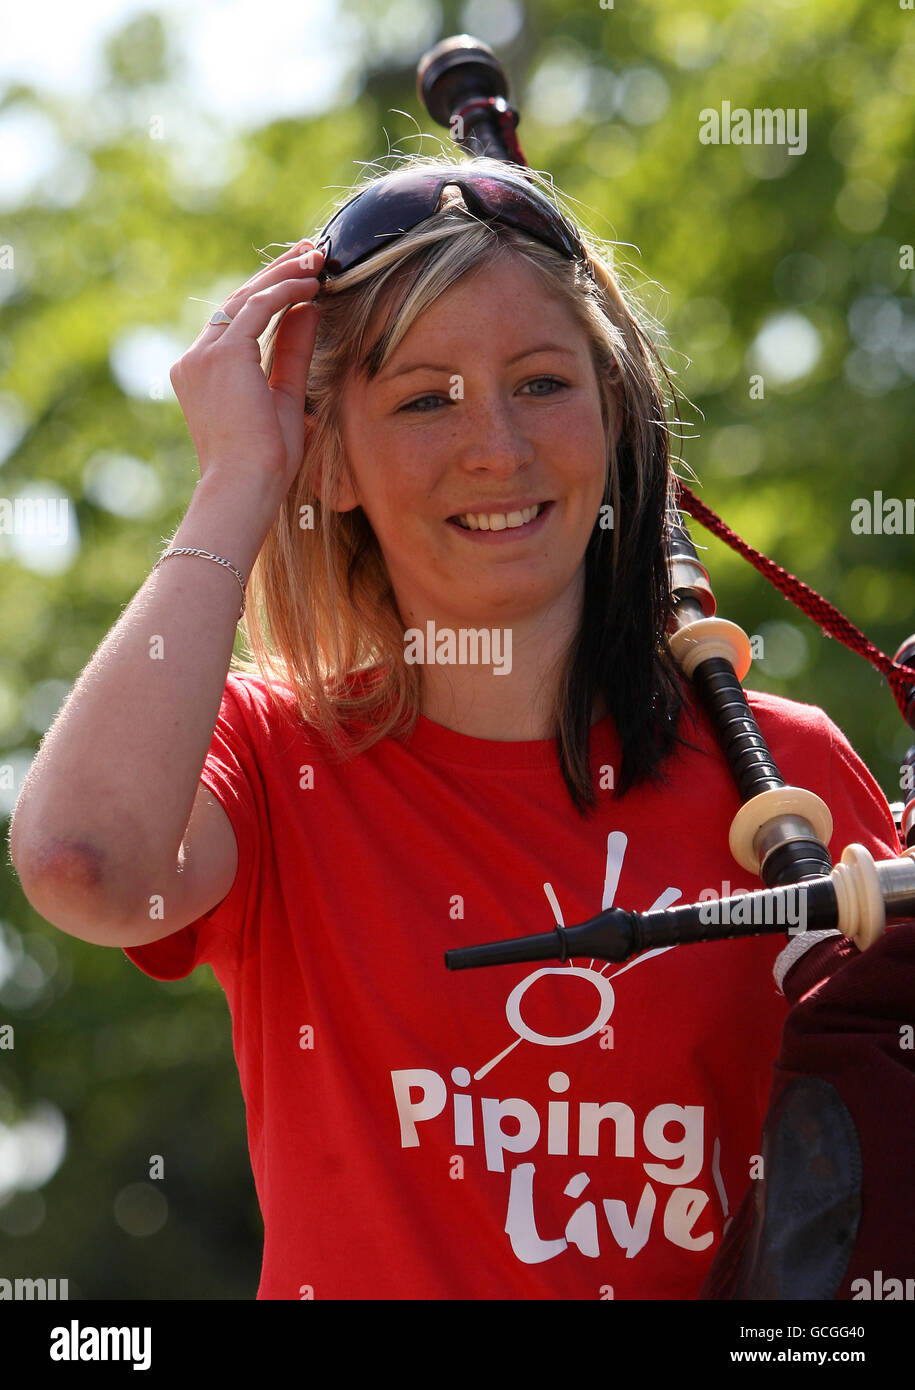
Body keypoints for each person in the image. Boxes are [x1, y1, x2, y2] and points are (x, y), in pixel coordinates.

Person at [8, 153, 900, 1301]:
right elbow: (84, 865)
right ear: (331, 459)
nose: (498, 449)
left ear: (614, 414)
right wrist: (238, 475)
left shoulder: (784, 772)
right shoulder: (270, 758)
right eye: (425, 398)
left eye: (541, 383)